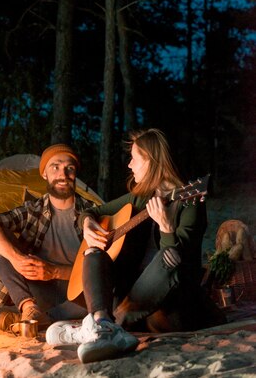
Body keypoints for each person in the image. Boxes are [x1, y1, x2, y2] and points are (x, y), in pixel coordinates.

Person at [46, 128, 224, 364]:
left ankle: (103, 327)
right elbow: (92, 211)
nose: (130, 165)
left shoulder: (189, 202)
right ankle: (102, 322)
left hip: (170, 304)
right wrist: (87, 223)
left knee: (169, 255)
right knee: (93, 252)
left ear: (150, 160)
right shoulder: (141, 197)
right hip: (133, 299)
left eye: (134, 158)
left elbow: (181, 266)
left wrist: (167, 228)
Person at [0, 143, 92, 329]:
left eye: (70, 168)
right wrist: (17, 259)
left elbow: (102, 266)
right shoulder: (33, 211)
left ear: (75, 174)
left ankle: (43, 319)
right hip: (37, 294)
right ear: (44, 174)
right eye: (55, 167)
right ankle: (29, 309)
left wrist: (54, 271)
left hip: (78, 295)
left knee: (107, 287)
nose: (63, 175)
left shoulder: (92, 213)